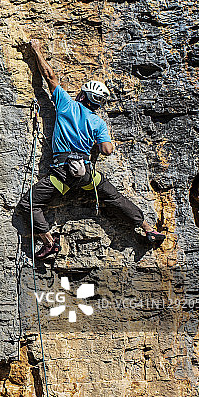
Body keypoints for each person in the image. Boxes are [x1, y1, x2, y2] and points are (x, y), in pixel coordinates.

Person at [19, 39, 166, 260]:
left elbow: (49, 76)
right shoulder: (98, 123)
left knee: (29, 203)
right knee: (114, 198)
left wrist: (36, 51)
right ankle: (148, 229)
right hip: (86, 174)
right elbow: (107, 150)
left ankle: (49, 242)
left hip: (62, 175)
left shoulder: (67, 105)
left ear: (82, 95)